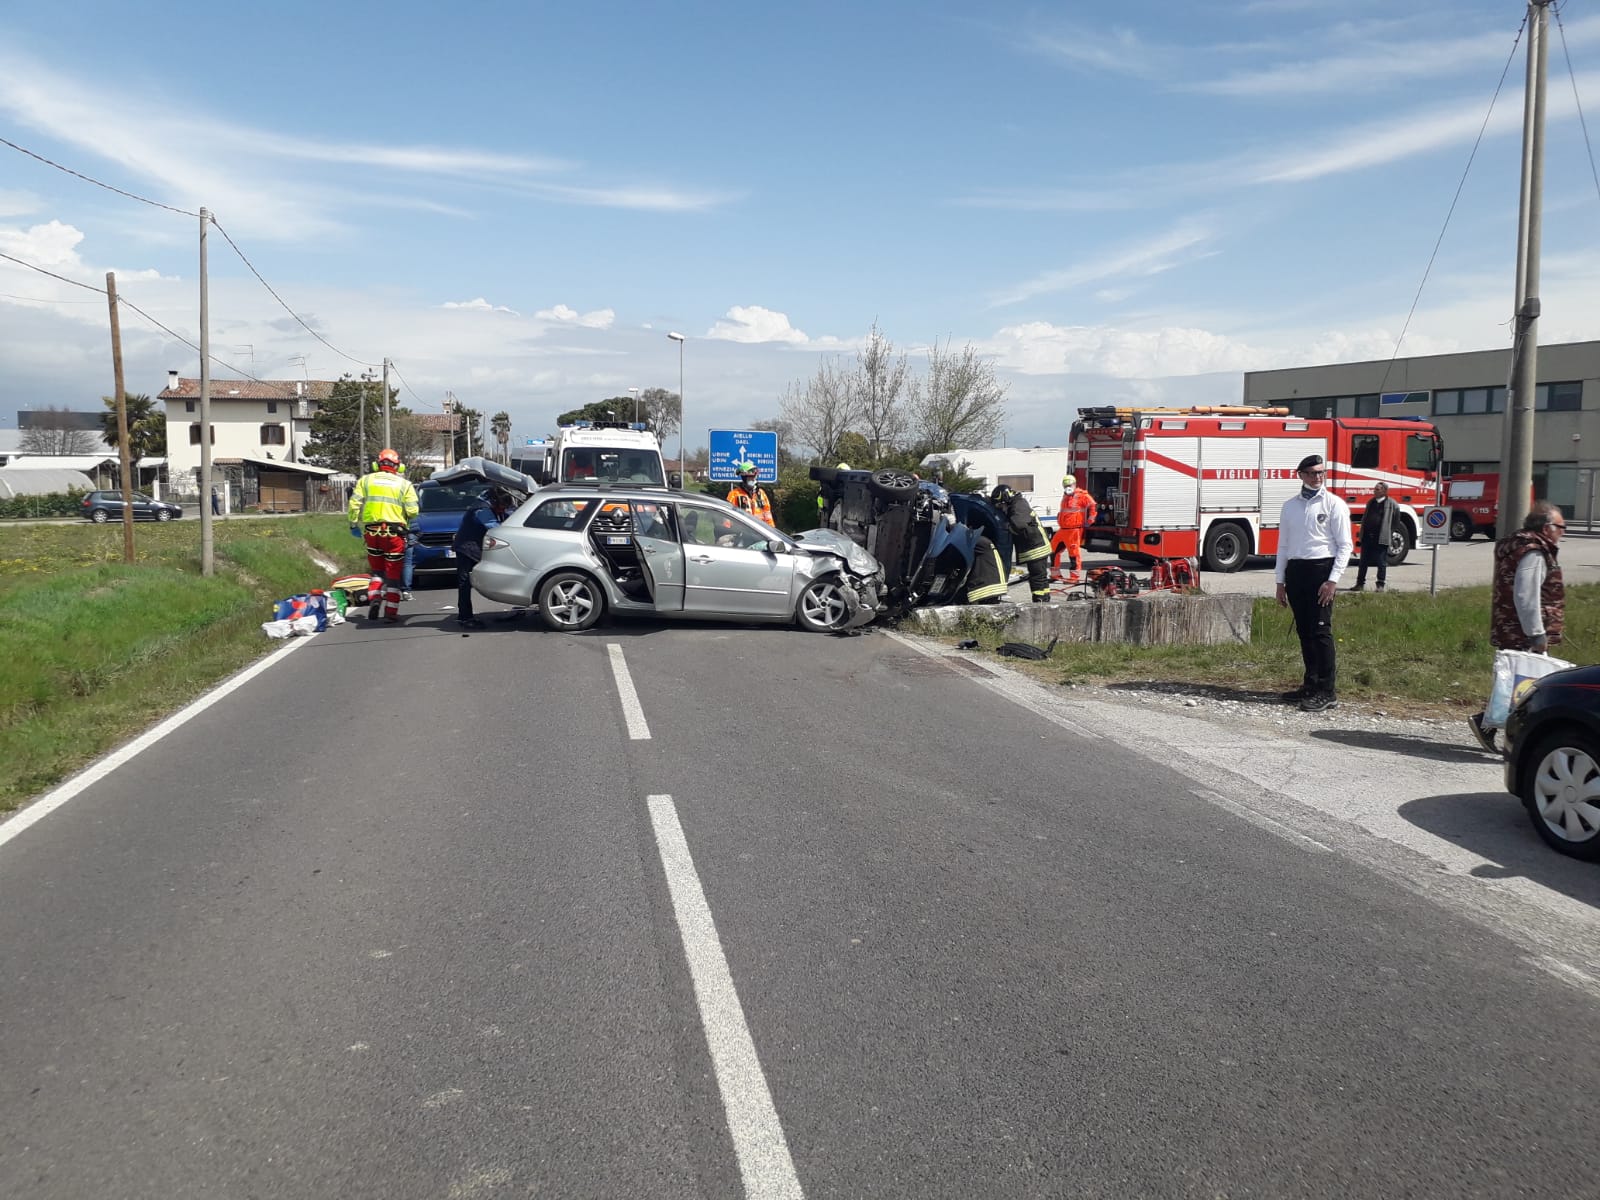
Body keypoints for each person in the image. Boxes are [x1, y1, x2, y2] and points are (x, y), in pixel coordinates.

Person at [1468, 500, 1567, 752]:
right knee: (1527, 687)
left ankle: (1493, 726)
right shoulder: (1533, 551)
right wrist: (1537, 634)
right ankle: (1493, 726)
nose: (1562, 532)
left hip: (1510, 626)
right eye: (1560, 527)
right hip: (1524, 632)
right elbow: (1526, 595)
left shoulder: (1518, 545)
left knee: (1513, 683)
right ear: (1546, 528)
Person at [1275, 453, 1353, 712]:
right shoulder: (1290, 506)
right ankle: (1310, 683)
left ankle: (1327, 690)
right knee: (1304, 631)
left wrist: (1332, 580)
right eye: (1311, 473)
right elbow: (1283, 546)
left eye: (1321, 472)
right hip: (1297, 570)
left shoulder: (1334, 504)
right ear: (1301, 475)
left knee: (1321, 631)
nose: (1317, 477)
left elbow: (1345, 546)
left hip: (1321, 569)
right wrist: (1280, 581)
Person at [347, 448, 420, 623]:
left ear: (376, 464)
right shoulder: (404, 485)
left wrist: (353, 525)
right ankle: (390, 612)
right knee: (393, 575)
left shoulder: (365, 481)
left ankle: (374, 598)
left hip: (372, 533)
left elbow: (354, 504)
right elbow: (413, 511)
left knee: (377, 571)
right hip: (394, 534)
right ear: (399, 466)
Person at [452, 487, 513, 628]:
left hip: (472, 546)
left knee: (467, 581)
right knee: (465, 582)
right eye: (502, 507)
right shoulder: (481, 509)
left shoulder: (487, 503)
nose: (503, 510)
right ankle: (465, 617)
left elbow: (506, 516)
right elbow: (494, 528)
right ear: (495, 502)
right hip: (467, 548)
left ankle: (465, 615)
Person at [990, 483, 1052, 602]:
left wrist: (1004, 526)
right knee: (1039, 577)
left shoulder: (1019, 505)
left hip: (1036, 548)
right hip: (1034, 547)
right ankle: (1043, 600)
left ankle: (1040, 602)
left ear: (1005, 499)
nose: (1000, 508)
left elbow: (1019, 523)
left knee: (1038, 578)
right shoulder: (1016, 504)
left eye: (1000, 505)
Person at [1050, 473, 1098, 582]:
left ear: (1074, 484)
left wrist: (1090, 520)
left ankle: (1074, 577)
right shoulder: (1065, 496)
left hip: (1074, 530)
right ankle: (1055, 574)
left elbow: (1092, 505)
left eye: (1069, 485)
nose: (1067, 487)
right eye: (1065, 485)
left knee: (1074, 554)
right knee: (1053, 550)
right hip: (1063, 529)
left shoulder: (1082, 495)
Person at [1351, 482, 1394, 591]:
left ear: (1384, 491)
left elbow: (1395, 519)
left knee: (1381, 562)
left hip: (1380, 538)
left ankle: (1380, 585)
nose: (1374, 491)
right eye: (1374, 489)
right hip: (1367, 537)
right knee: (1363, 562)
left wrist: (1388, 531)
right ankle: (1360, 584)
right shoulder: (1371, 502)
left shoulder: (1390, 503)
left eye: (1377, 489)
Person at [728, 460, 774, 526]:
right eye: (751, 477)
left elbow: (768, 515)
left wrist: (771, 531)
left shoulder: (761, 493)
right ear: (744, 478)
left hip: (760, 532)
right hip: (743, 532)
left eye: (754, 477)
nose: (753, 479)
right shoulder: (734, 494)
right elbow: (729, 517)